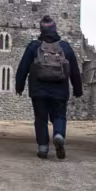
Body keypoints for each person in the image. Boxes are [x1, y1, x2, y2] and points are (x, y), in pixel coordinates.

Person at [14, 15, 83, 160]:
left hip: (39, 91)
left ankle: (43, 148)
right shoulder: (65, 47)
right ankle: (58, 134)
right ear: (55, 29)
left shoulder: (34, 47)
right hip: (60, 91)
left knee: (41, 118)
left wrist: (19, 86)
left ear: (41, 30)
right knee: (59, 115)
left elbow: (23, 68)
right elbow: (75, 71)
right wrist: (78, 89)